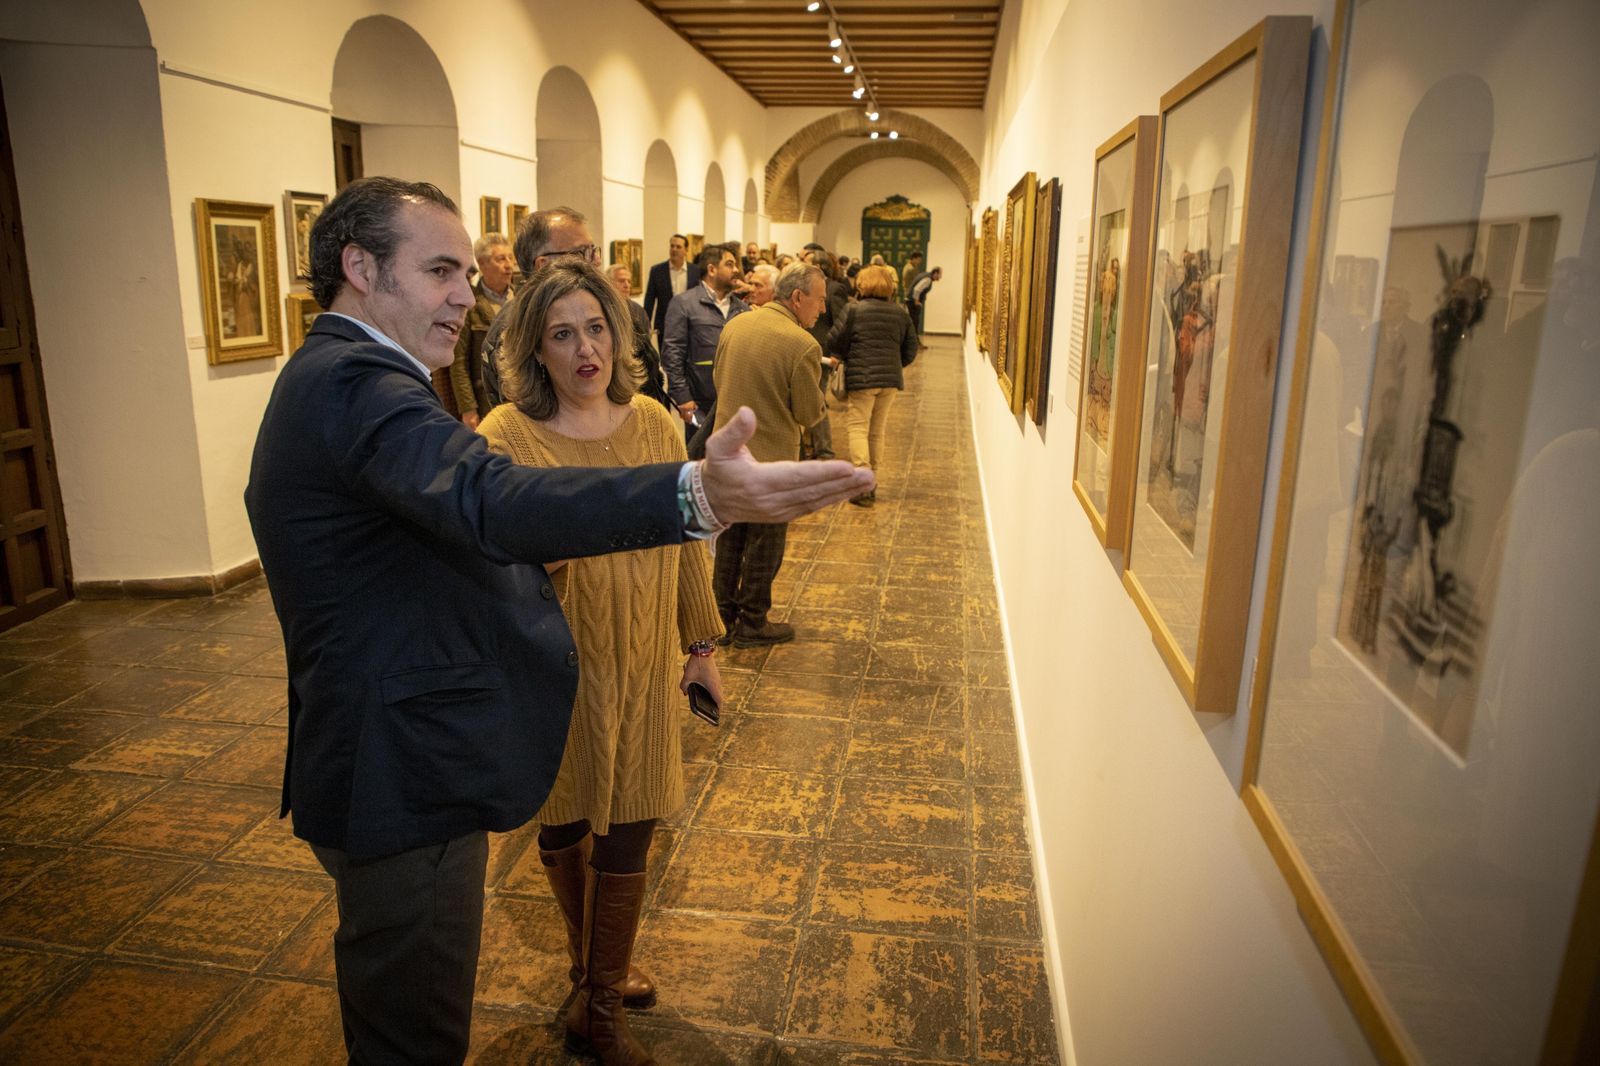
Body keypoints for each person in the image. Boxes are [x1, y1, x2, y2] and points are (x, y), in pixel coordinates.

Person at [244, 176, 873, 1065]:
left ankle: (598, 987)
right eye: (440, 270)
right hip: (399, 764)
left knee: (414, 1017)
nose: (466, 294)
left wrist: (695, 633)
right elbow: (491, 499)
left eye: (467, 273)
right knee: (412, 1033)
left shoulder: (347, 377)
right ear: (360, 267)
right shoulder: (357, 382)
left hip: (395, 747)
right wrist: (693, 494)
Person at [477, 259, 721, 1065]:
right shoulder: (505, 436)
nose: (586, 350)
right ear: (533, 350)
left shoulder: (652, 422)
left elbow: (684, 541)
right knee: (567, 818)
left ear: (619, 337)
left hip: (643, 663)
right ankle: (589, 974)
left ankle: (603, 1006)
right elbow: (488, 562)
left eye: (596, 329)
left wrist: (701, 645)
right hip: (558, 672)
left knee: (633, 825)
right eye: (562, 334)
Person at [710, 263, 829, 646]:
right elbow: (809, 414)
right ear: (797, 297)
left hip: (728, 457)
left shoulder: (735, 326)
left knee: (730, 540)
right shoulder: (803, 345)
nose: (822, 308)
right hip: (771, 465)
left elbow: (718, 381)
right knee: (765, 544)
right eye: (819, 300)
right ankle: (753, 621)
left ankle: (721, 618)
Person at [478, 205, 600, 408]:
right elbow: (525, 414)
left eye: (593, 251)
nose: (595, 261)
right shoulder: (515, 326)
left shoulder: (593, 309)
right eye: (582, 253)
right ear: (544, 265)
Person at [829, 264, 918, 507]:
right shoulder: (900, 313)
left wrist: (845, 355)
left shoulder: (854, 310)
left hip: (862, 379)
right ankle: (872, 481)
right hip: (890, 381)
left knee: (858, 427)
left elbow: (835, 340)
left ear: (862, 284)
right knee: (877, 430)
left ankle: (862, 483)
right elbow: (911, 348)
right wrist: (894, 364)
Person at [661, 242, 747, 431]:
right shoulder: (683, 304)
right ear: (712, 269)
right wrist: (682, 396)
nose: (736, 270)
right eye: (730, 264)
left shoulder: (742, 308)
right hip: (700, 403)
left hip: (736, 402)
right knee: (701, 450)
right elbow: (672, 353)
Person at [441, 232, 515, 426]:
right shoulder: (470, 303)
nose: (509, 265)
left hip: (522, 398)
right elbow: (458, 361)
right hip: (486, 401)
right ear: (482, 264)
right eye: (501, 259)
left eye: (510, 257)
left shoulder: (522, 299)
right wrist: (468, 408)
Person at [800, 250, 849, 460]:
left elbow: (841, 323)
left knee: (817, 400)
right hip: (805, 347)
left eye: (807, 262)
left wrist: (836, 352)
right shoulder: (805, 287)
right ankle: (811, 445)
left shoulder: (835, 289)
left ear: (818, 266)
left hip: (823, 352)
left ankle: (824, 449)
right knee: (809, 399)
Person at [607, 260, 672, 413]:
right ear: (608, 283)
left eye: (629, 281)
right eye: (621, 281)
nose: (627, 285)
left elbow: (646, 345)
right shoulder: (603, 310)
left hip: (640, 377)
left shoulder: (638, 310)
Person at [643, 233, 698, 342]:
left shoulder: (695, 271)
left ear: (686, 250)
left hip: (690, 325)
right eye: (672, 246)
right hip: (665, 326)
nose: (674, 249)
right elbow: (649, 300)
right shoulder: (657, 271)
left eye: (678, 247)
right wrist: (645, 326)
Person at [908, 266, 942, 344]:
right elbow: (917, 289)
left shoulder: (925, 275)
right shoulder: (928, 279)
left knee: (914, 323)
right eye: (940, 274)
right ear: (935, 273)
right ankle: (914, 343)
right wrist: (916, 301)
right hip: (912, 302)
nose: (940, 277)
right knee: (914, 323)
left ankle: (915, 343)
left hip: (910, 301)